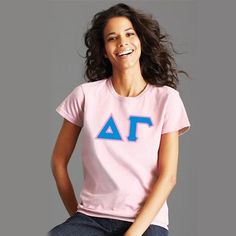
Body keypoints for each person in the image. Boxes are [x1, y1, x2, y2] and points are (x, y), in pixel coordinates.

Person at [48, 3, 191, 236]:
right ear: (104, 50)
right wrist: (78, 215)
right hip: (92, 218)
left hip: (146, 221)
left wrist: (133, 233)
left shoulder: (167, 99)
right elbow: (58, 162)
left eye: (129, 34)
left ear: (140, 41)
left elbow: (168, 176)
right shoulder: (86, 95)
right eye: (112, 38)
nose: (122, 42)